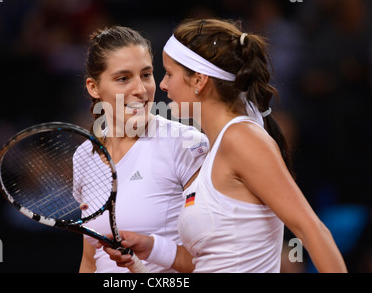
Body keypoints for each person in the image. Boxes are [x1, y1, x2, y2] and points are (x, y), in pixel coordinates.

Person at [100, 18, 348, 273]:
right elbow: (211, 261)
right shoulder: (216, 147)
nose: (162, 85)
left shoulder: (241, 139)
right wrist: (151, 247)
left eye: (170, 74)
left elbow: (311, 229)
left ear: (199, 80)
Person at [78, 25, 209, 273]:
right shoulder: (85, 155)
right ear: (93, 87)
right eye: (123, 78)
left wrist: (152, 251)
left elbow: (216, 261)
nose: (141, 89)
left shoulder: (186, 144)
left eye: (146, 74)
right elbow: (90, 259)